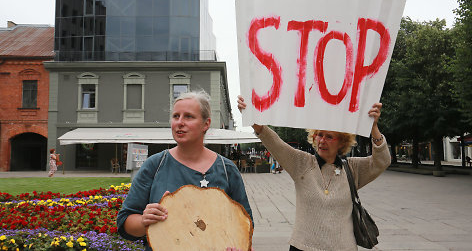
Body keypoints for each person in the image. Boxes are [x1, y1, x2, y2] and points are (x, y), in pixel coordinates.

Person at [237, 95, 391, 251]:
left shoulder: (352, 168)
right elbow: (275, 142)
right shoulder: (302, 163)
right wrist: (252, 118)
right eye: (319, 135)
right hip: (303, 247)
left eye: (329, 136)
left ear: (342, 142)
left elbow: (382, 161)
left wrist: (373, 127)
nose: (322, 140)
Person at [117, 91, 253, 251]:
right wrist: (144, 220)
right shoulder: (154, 165)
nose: (180, 122)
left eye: (189, 116)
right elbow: (125, 222)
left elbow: (245, 222)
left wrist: (238, 244)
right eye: (176, 116)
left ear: (206, 124)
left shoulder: (227, 168)